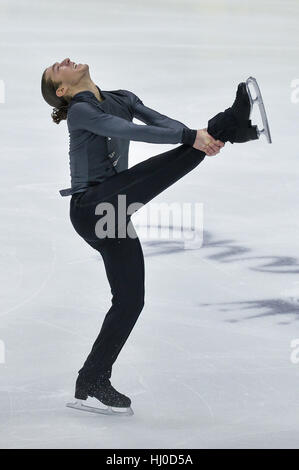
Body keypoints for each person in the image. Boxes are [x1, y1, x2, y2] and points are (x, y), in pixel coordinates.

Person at [41, 57, 259, 416]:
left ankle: (92, 380)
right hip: (91, 208)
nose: (63, 61)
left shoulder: (122, 97)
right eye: (55, 69)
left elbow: (158, 122)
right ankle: (231, 126)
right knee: (163, 168)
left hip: (113, 211)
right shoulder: (79, 111)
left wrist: (196, 137)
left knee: (131, 300)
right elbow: (130, 132)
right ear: (62, 90)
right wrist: (195, 137)